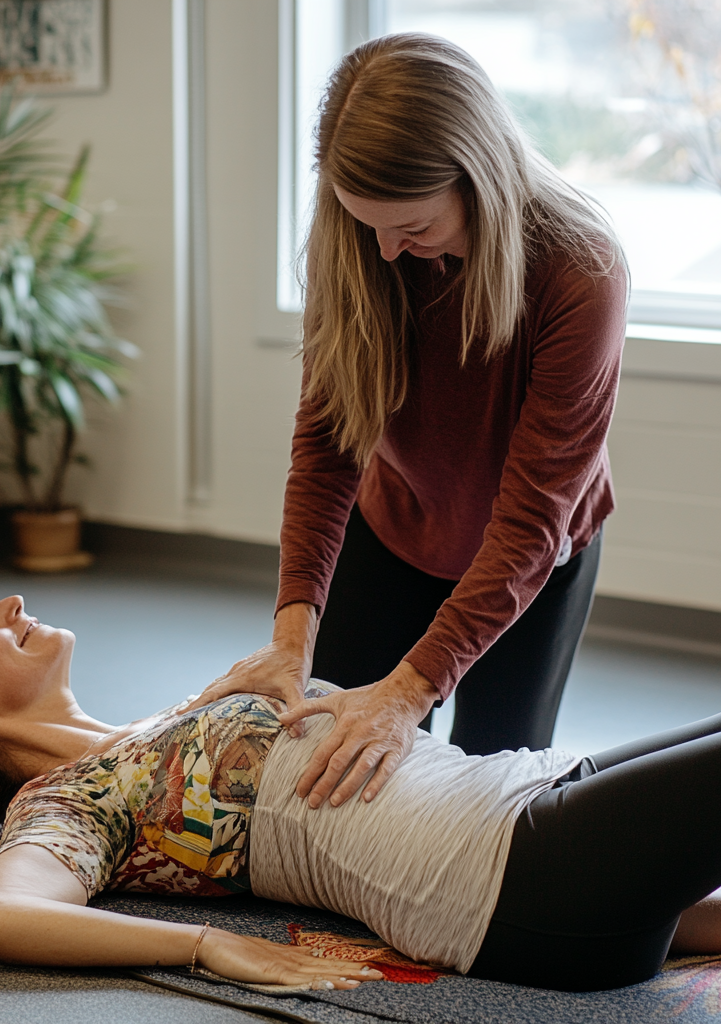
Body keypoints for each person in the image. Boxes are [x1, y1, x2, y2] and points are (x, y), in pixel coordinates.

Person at [0, 595, 721, 993]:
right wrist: (204, 945)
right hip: (518, 874)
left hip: (537, 803)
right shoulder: (70, 800)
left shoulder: (156, 724)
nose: (8, 604)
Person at [195, 33, 628, 812]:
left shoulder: (580, 270)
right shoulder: (360, 244)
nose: (388, 252)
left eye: (415, 228)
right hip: (393, 530)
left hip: (530, 556)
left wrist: (407, 693)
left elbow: (530, 521)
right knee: (331, 772)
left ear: (480, 179)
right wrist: (290, 641)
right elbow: (326, 448)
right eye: (368, 225)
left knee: (489, 797)